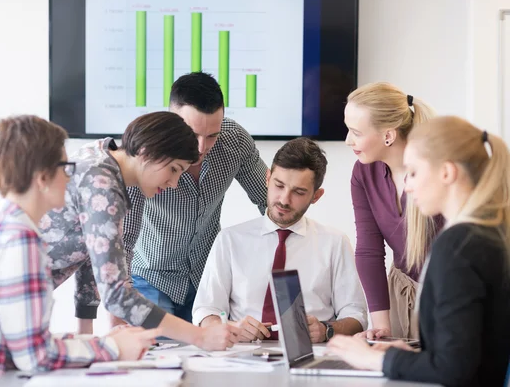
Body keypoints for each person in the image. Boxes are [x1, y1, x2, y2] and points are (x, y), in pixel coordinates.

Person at [0, 116, 159, 384]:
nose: (71, 177)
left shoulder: (0, 226)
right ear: (43, 177)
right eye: (66, 168)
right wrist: (112, 348)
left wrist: (98, 342)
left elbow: (26, 341)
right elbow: (36, 357)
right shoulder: (20, 242)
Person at [328, 116, 510, 386]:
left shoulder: (459, 245)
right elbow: (467, 350)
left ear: (447, 173)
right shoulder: (488, 233)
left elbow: (453, 368)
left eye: (413, 172)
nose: (408, 185)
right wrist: (409, 357)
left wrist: (374, 360)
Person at [39, 111, 239, 349]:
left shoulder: (101, 155)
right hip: (7, 296)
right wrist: (200, 336)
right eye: (174, 169)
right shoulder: (104, 187)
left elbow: (92, 253)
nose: (173, 183)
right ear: (146, 153)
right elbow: (116, 294)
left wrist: (86, 332)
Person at [122, 72, 268, 322]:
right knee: (153, 357)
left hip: (208, 279)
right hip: (149, 278)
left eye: (212, 135)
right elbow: (122, 239)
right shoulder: (145, 153)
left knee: (215, 356)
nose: (201, 147)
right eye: (192, 133)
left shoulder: (234, 142)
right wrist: (118, 304)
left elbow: (269, 199)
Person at [192, 138, 367, 342]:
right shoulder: (230, 240)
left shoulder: (334, 243)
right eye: (279, 185)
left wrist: (326, 329)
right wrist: (231, 327)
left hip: (312, 355)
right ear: (267, 178)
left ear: (316, 196)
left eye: (299, 192)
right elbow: (205, 310)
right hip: (243, 355)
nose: (284, 199)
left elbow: (357, 315)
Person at [344, 82, 441, 339]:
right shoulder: (363, 173)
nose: (347, 141)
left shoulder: (438, 171)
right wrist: (380, 325)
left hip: (449, 298)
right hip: (402, 296)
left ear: (388, 135)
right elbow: (368, 250)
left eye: (356, 132)